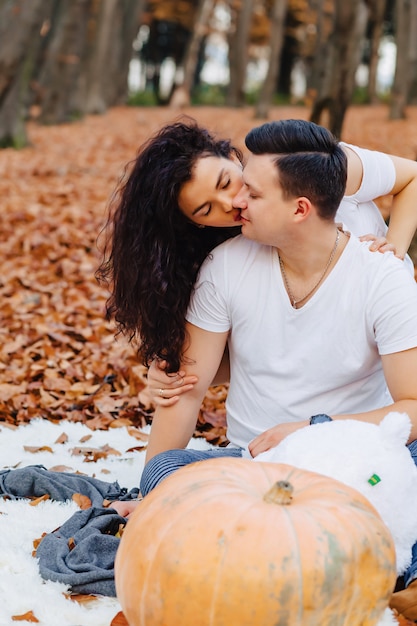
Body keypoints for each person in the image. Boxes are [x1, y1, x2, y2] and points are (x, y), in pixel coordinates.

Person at [119, 119, 417, 618]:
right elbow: (189, 388)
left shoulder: (378, 267)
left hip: (354, 460)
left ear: (300, 206)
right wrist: (150, 490)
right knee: (167, 473)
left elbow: (412, 407)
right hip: (254, 468)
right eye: (208, 209)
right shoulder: (226, 266)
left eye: (242, 190)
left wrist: (311, 431)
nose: (235, 205)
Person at [97, 117, 417, 389]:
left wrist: (393, 251)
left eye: (225, 182)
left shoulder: (316, 170)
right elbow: (263, 357)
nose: (231, 203)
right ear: (194, 224)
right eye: (206, 209)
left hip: (384, 353)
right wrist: (180, 374)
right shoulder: (228, 258)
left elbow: (413, 176)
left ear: (233, 157)